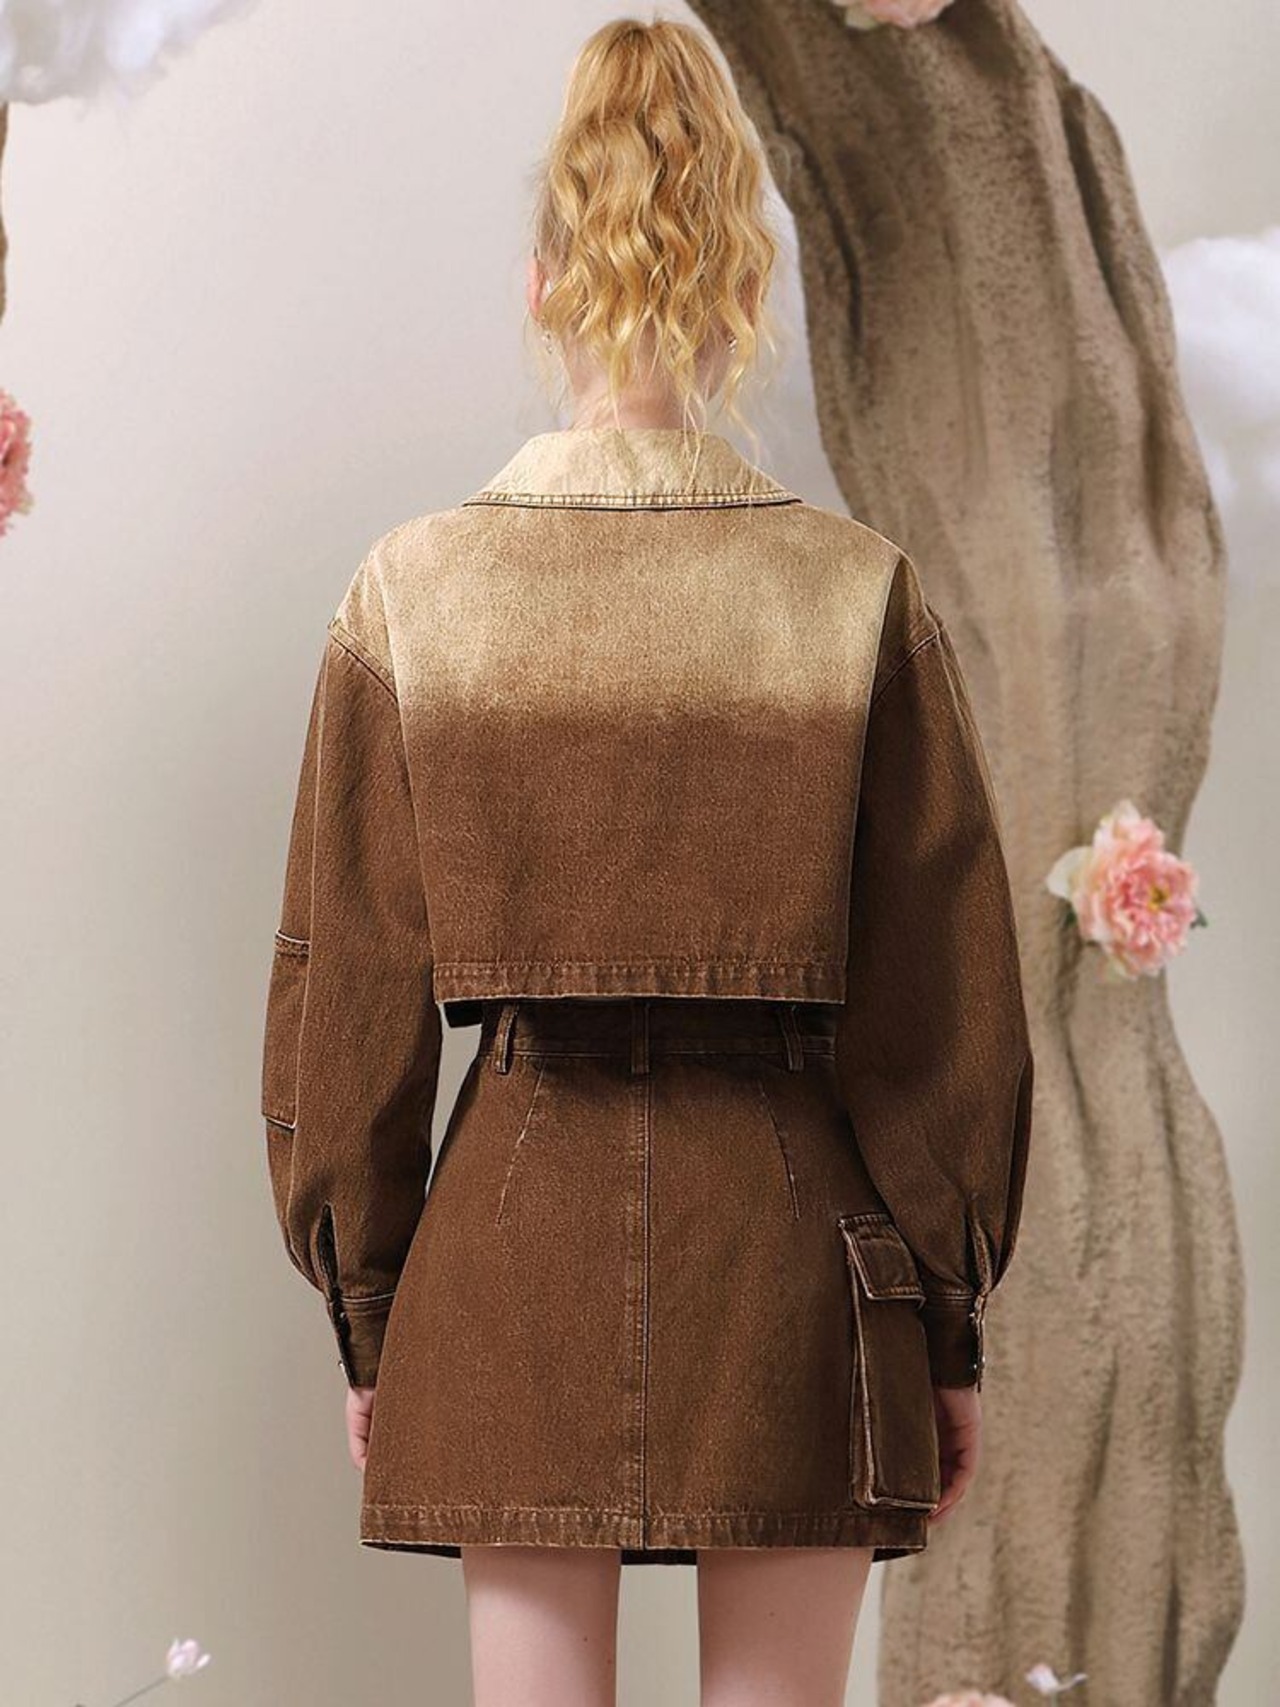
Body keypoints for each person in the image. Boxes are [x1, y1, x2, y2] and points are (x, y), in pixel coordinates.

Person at [259, 17, 1034, 1706]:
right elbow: (943, 1012)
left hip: (504, 1258)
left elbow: (348, 1000)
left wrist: (371, 1313)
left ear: (543, 285)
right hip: (798, 1266)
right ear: (744, 289)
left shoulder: (411, 594)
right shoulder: (855, 593)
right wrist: (947, 1321)